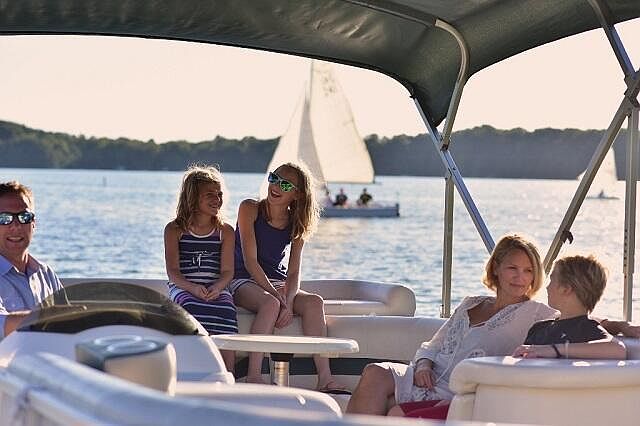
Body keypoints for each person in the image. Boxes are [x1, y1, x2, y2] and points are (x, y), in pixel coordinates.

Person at [346, 234, 637, 419]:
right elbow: (432, 345)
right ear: (496, 267)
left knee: (394, 410)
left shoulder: (536, 312)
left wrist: (621, 325)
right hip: (427, 377)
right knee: (375, 372)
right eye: (513, 268)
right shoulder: (470, 303)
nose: (521, 278)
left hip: (456, 391)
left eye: (528, 271)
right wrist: (423, 365)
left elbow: (580, 317)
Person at [229, 162, 347, 392]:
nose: (275, 186)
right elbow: (250, 262)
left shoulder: (297, 221)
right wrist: (278, 297)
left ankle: (325, 378)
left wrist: (289, 302)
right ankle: (254, 376)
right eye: (274, 178)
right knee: (271, 304)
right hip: (243, 278)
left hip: (275, 281)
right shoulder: (249, 208)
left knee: (314, 302)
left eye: (284, 184)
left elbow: (293, 272)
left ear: (297, 194)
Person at [164, 165, 238, 372]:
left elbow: (228, 271)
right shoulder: (174, 230)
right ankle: (188, 368)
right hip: (184, 286)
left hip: (216, 286)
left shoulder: (225, 231)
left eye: (219, 194)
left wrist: (218, 287)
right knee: (188, 307)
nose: (217, 199)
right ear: (192, 198)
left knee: (226, 308)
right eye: (209, 195)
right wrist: (193, 288)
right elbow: (173, 272)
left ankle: (228, 371)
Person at [512, 254, 625, 359]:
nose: (547, 287)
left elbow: (618, 349)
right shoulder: (538, 328)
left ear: (566, 289)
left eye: (552, 280)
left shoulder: (586, 329)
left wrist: (554, 350)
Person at [0, 181, 63, 338]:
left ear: (33, 223)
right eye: (4, 218)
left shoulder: (46, 274)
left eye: (24, 217)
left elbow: (68, 324)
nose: (16, 226)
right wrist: (51, 318)